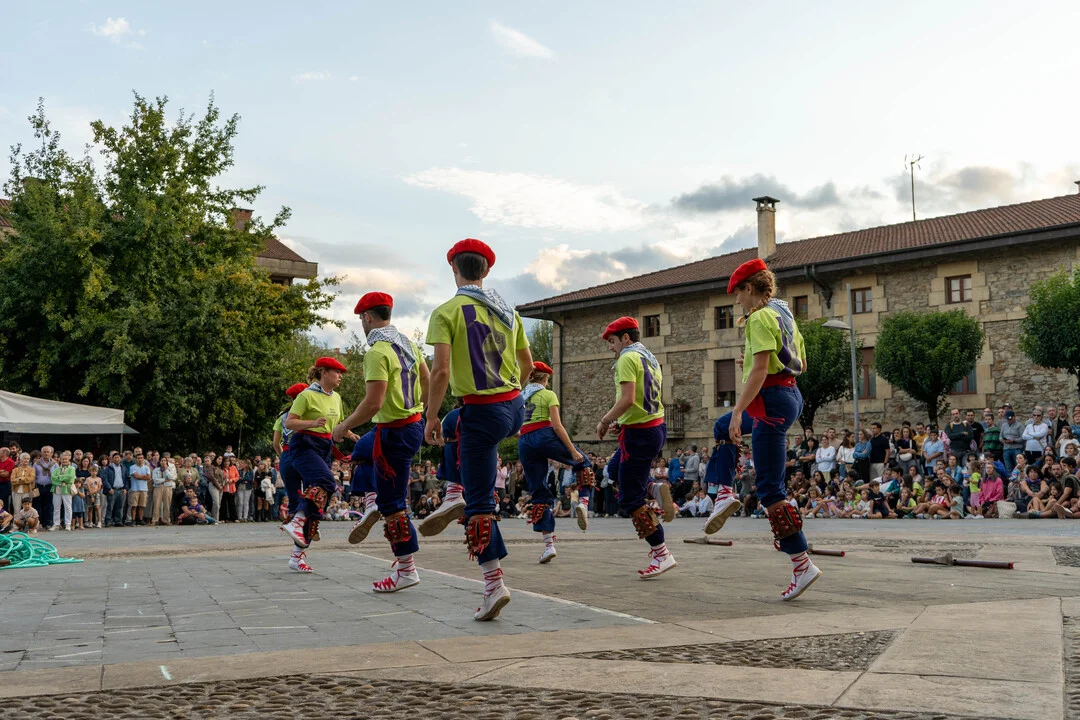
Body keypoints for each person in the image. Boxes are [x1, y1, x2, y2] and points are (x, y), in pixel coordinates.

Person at [421, 239, 532, 620]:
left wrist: (430, 416)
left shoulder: (446, 311)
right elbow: (528, 365)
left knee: (481, 504)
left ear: (454, 268)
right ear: (486, 271)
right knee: (455, 424)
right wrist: (510, 394)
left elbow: (440, 372)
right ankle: (454, 492)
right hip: (513, 407)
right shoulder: (508, 312)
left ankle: (493, 584)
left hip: (482, 413)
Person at [700, 257, 820, 600]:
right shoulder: (784, 313)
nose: (737, 300)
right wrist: (753, 362)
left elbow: (761, 371)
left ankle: (802, 564)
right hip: (789, 396)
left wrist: (739, 410)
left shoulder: (758, 317)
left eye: (738, 293)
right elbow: (800, 363)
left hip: (769, 402)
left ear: (749, 288)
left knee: (769, 489)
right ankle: (724, 493)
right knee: (722, 427)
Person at [334, 292, 429, 593]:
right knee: (362, 450)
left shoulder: (377, 352)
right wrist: (421, 409)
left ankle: (406, 570)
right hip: (410, 425)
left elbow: (373, 403)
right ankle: (372, 502)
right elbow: (427, 379)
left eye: (361, 319)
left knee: (394, 506)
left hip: (394, 432)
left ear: (367, 317)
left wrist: (343, 427)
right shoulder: (407, 343)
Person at [597, 316, 676, 579]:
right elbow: (642, 399)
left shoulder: (626, 358)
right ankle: (653, 487)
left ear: (625, 338)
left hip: (639, 435)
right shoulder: (648, 357)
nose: (611, 347)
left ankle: (661, 553)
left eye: (612, 341)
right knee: (612, 471)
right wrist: (622, 422)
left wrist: (605, 420)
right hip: (653, 427)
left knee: (630, 499)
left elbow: (628, 399)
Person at [516, 361, 594, 562]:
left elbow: (513, 427)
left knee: (539, 492)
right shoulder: (548, 394)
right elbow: (557, 426)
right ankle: (584, 503)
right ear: (545, 378)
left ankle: (549, 545)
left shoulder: (520, 397)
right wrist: (572, 451)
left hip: (524, 440)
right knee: (583, 463)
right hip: (544, 434)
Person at [280, 357, 350, 571]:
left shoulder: (336, 397)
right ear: (324, 372)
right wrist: (312, 422)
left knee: (318, 506)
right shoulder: (306, 395)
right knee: (326, 480)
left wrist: (350, 434)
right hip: (305, 444)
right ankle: (296, 519)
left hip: (325, 447)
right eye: (337, 372)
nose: (340, 376)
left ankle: (297, 556)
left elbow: (337, 424)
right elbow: (290, 422)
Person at [49, 450, 76, 531]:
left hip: (67, 489)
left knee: (68, 507)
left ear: (68, 460)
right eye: (62, 459)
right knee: (56, 507)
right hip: (57, 489)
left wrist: (59, 477)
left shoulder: (72, 468)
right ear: (60, 460)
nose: (64, 460)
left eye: (66, 459)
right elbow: (53, 479)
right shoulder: (57, 469)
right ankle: (56, 524)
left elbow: (70, 478)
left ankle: (68, 524)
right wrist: (61, 481)